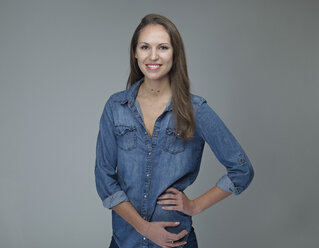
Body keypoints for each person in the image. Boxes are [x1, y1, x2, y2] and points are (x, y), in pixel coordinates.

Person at [95, 13, 254, 248]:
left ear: (175, 53)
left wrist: (195, 205)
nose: (153, 56)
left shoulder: (196, 110)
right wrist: (145, 228)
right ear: (135, 53)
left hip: (176, 242)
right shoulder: (116, 107)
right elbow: (104, 179)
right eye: (145, 47)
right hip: (124, 241)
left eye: (163, 47)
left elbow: (241, 169)